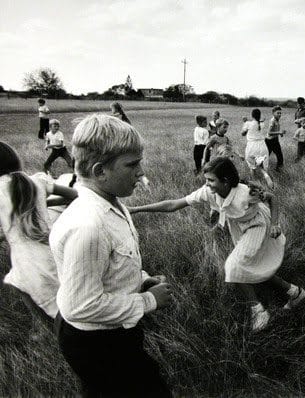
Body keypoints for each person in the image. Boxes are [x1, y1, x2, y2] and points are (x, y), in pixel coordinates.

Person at [49, 114, 173, 397]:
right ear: (100, 170)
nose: (141, 172)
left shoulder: (110, 201)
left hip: (110, 333)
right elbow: (79, 306)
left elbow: (111, 265)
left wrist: (140, 279)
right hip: (97, 341)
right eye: (132, 164)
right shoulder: (89, 225)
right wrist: (148, 300)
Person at [129, 157, 305, 332]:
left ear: (226, 181)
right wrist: (137, 209)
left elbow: (272, 199)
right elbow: (174, 204)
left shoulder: (245, 192)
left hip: (257, 225)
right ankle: (294, 293)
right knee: (253, 266)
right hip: (239, 227)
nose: (207, 184)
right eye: (206, 180)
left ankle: (258, 310)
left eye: (211, 180)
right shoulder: (208, 192)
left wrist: (275, 224)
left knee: (233, 267)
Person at [0, 141, 77, 337]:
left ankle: (51, 332)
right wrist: (43, 201)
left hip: (26, 258)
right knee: (65, 293)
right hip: (52, 248)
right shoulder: (36, 180)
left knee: (20, 283)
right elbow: (75, 196)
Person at [241, 109, 273, 188]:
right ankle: (266, 176)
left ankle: (255, 183)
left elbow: (242, 133)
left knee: (252, 167)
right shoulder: (262, 124)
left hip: (252, 147)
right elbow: (258, 122)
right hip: (262, 146)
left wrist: (244, 122)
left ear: (252, 115)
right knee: (262, 167)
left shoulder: (248, 124)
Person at [266, 106, 286, 171]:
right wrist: (279, 132)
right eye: (278, 113)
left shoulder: (277, 120)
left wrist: (280, 133)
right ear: (273, 113)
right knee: (266, 156)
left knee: (279, 156)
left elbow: (276, 131)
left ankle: (278, 170)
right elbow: (269, 132)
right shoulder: (272, 121)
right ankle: (262, 168)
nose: (279, 114)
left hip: (275, 139)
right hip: (269, 141)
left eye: (280, 113)